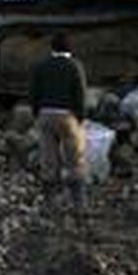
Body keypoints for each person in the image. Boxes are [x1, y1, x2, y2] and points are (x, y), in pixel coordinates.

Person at [28, 33, 89, 209]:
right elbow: (80, 94)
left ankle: (50, 201)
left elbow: (33, 93)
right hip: (67, 116)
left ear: (52, 48)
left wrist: (37, 113)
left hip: (45, 115)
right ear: (70, 49)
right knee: (74, 158)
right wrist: (80, 118)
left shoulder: (41, 66)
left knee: (49, 159)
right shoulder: (74, 66)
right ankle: (78, 202)